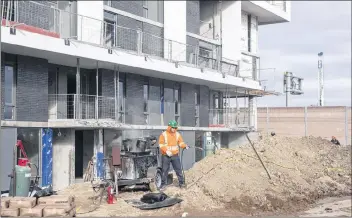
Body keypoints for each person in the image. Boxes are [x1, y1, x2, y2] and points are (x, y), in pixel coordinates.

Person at [158, 120, 189, 189]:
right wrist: (166, 151)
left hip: (175, 155)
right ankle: (162, 185)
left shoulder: (177, 134)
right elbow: (161, 144)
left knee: (178, 170)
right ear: (169, 127)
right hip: (166, 156)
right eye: (173, 127)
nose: (174, 129)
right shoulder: (163, 134)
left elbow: (181, 143)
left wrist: (185, 146)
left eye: (175, 128)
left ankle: (182, 183)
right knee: (165, 170)